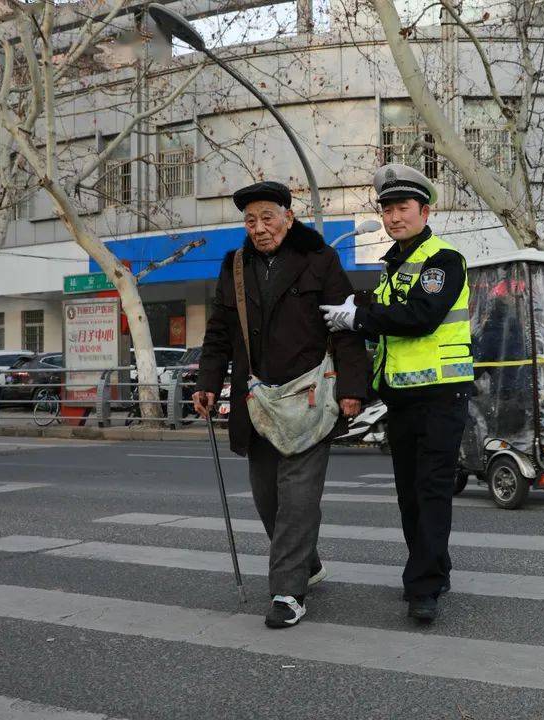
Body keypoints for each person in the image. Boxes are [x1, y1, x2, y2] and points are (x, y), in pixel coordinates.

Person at [192, 181, 368, 629]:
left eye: (267, 217)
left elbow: (345, 328)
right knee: (268, 497)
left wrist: (353, 388)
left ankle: (288, 592)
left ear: (289, 217)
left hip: (311, 398)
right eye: (250, 221)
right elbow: (219, 330)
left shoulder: (320, 260)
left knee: (298, 497)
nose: (259, 228)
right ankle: (306, 561)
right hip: (258, 402)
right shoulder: (234, 266)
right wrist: (208, 380)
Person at [320, 164, 472, 623]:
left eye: (402, 208)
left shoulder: (443, 260)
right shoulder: (394, 266)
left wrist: (359, 318)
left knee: (430, 491)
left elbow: (421, 316)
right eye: (387, 209)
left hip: (442, 395)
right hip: (403, 398)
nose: (393, 217)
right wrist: (356, 310)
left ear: (425, 210)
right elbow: (387, 317)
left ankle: (423, 588)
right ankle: (435, 568)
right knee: (409, 494)